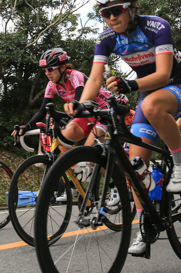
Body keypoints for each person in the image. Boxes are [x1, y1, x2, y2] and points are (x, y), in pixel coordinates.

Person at [65, 0, 181, 255]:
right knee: (135, 165)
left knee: (151, 105)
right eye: (105, 13)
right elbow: (94, 79)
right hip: (148, 94)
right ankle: (146, 223)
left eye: (116, 10)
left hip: (179, 86)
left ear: (133, 6)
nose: (111, 18)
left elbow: (163, 74)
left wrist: (130, 85)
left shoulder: (156, 27)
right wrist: (81, 104)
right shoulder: (106, 39)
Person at [12, 48, 113, 202]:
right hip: (86, 114)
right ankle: (78, 176)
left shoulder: (76, 76)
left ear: (63, 67)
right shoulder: (52, 85)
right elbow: (42, 111)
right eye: (45, 70)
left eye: (51, 69)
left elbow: (79, 101)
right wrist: (26, 126)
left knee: (93, 153)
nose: (47, 73)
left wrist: (67, 114)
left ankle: (118, 184)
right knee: (63, 139)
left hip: (103, 112)